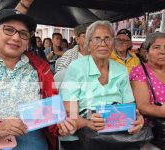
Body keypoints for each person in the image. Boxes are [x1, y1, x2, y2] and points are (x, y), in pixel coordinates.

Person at [0, 9, 77, 150]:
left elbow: (51, 109)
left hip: (31, 135)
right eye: (8, 30)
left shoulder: (40, 68)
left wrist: (60, 126)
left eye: (23, 34)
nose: (16, 38)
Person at [59, 20, 144, 150]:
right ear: (88, 43)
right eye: (97, 39)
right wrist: (88, 122)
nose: (103, 44)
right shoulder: (76, 67)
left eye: (107, 39)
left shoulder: (120, 70)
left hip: (115, 127)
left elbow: (129, 106)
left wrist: (137, 118)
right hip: (83, 129)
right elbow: (69, 110)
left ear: (113, 43)